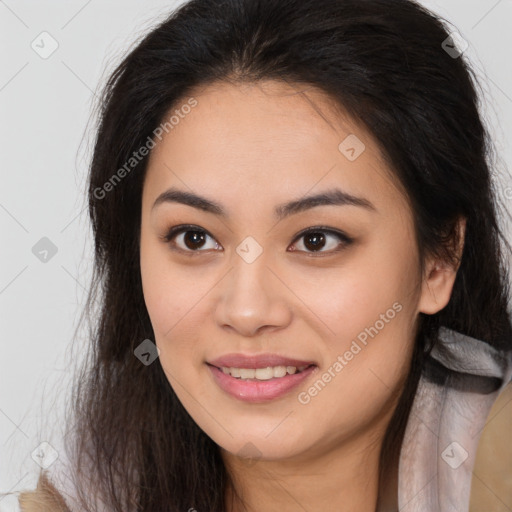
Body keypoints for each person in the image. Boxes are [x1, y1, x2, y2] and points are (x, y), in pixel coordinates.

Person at [8, 0, 512, 510]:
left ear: (439, 261)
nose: (246, 311)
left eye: (317, 240)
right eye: (194, 238)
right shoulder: (88, 492)